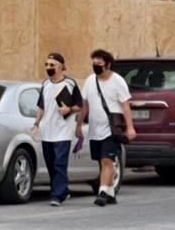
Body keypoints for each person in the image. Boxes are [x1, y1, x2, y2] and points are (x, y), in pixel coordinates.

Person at [76, 49, 136, 207]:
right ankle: (110, 193)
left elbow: (125, 105)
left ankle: (102, 192)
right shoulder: (90, 81)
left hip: (111, 128)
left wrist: (130, 127)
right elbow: (85, 105)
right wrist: (79, 124)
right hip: (95, 128)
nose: (96, 66)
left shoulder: (118, 81)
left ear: (108, 65)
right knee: (101, 162)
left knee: (107, 160)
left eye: (99, 63)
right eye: (94, 63)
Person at [31, 53, 83, 206]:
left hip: (63, 131)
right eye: (47, 65)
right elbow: (41, 106)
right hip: (47, 130)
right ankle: (63, 190)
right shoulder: (45, 84)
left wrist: (69, 109)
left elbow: (80, 105)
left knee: (60, 163)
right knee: (51, 163)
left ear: (60, 67)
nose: (48, 68)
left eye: (52, 65)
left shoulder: (70, 84)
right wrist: (36, 123)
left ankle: (57, 195)